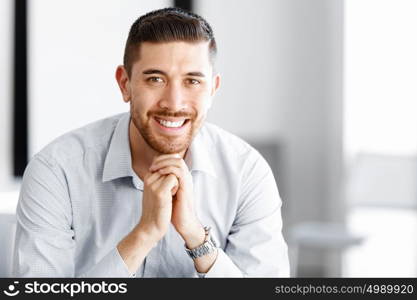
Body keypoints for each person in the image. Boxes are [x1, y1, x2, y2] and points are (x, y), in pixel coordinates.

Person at [13, 7, 289, 277]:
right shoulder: (56, 170)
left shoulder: (247, 172)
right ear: (125, 84)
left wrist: (196, 237)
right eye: (155, 79)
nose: (174, 103)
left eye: (192, 81)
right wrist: (144, 234)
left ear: (212, 90)